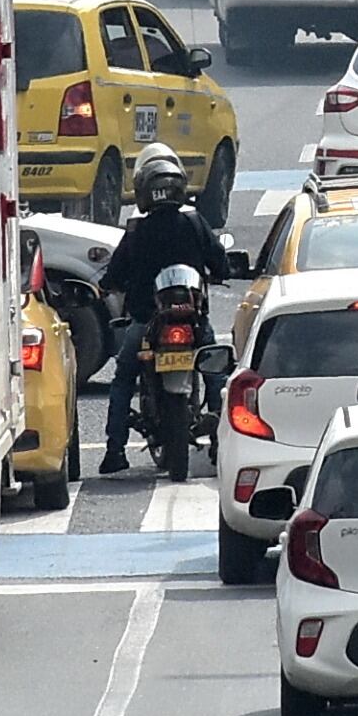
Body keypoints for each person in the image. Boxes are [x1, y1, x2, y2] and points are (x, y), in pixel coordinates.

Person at [98, 144, 229, 475]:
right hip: (195, 322)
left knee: (124, 377)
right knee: (215, 371)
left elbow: (114, 275)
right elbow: (221, 263)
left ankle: (115, 450)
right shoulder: (195, 222)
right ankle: (223, 443)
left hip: (146, 322)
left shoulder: (138, 229)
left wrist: (106, 287)